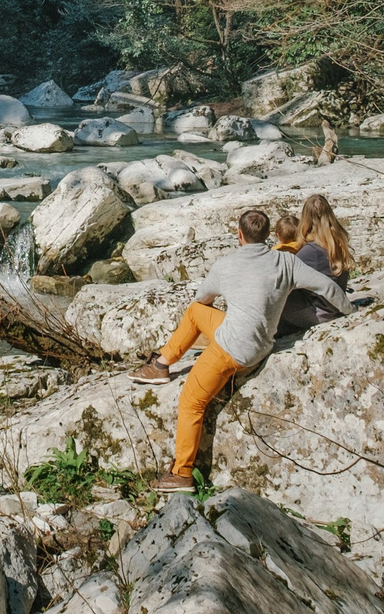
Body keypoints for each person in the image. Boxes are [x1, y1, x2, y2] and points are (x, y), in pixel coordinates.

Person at [129, 207, 340, 493]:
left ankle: (182, 474)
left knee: (191, 402)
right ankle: (161, 365)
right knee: (195, 313)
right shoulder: (286, 261)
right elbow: (327, 286)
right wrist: (350, 312)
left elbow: (202, 297)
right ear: (267, 235)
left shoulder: (226, 265)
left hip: (234, 351)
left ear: (239, 234)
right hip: (263, 342)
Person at [275, 193, 352, 333]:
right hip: (331, 307)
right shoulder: (337, 243)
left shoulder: (311, 251)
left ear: (305, 219)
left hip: (317, 312)